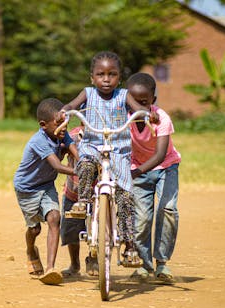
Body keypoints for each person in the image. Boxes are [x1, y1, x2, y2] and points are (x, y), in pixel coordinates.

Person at [60, 51, 157, 267]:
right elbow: (71, 105)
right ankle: (83, 202)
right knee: (84, 164)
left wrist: (147, 113)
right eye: (100, 74)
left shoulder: (123, 96)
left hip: (118, 150)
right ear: (92, 77)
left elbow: (139, 108)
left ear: (119, 78)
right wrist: (64, 111)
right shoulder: (87, 93)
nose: (106, 79)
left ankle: (129, 245)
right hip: (93, 145)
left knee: (125, 196)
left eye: (112, 74)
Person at [13, 98, 78, 285]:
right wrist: (77, 170)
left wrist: (83, 162)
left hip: (47, 185)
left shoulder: (61, 134)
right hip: (27, 189)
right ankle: (30, 250)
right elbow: (57, 166)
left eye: (66, 122)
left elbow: (75, 151)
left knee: (54, 217)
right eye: (59, 123)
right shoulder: (39, 141)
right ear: (43, 125)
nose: (64, 127)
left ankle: (50, 268)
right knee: (34, 229)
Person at [127, 72, 181, 284]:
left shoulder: (162, 119)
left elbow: (160, 154)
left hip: (165, 167)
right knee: (141, 219)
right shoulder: (122, 119)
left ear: (153, 101)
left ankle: (162, 263)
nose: (138, 108)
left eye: (144, 103)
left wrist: (136, 173)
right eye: (133, 102)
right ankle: (143, 265)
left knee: (168, 209)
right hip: (138, 170)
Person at [60, 124, 99, 277]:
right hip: (73, 192)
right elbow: (60, 153)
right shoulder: (73, 136)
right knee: (71, 230)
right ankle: (74, 263)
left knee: (98, 228)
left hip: (97, 194)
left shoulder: (104, 136)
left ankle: (94, 259)